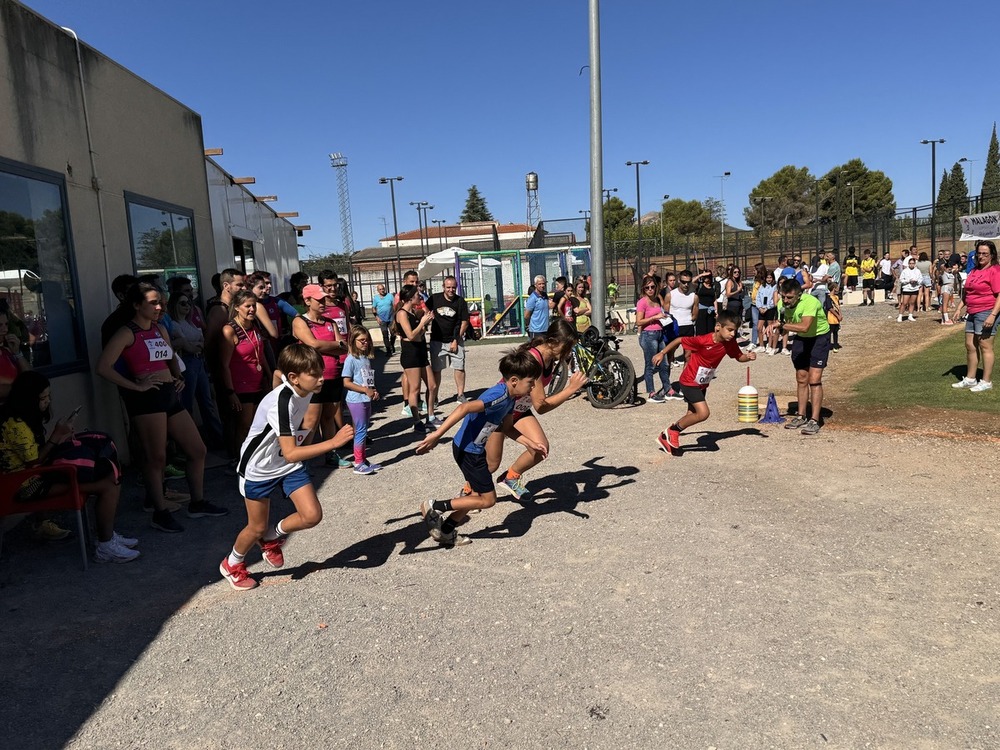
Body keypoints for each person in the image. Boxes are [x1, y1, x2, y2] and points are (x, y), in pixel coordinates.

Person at [219, 345, 354, 590]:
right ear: (295, 378)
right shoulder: (281, 403)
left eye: (321, 371)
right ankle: (232, 563)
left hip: (286, 463)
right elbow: (292, 452)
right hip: (259, 468)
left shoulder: (304, 385)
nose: (322, 377)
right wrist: (332, 443)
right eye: (315, 373)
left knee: (312, 516)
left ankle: (271, 537)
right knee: (255, 526)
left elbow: (278, 374)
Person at [97, 283, 226, 532]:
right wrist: (135, 386)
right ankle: (160, 511)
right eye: (153, 303)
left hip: (169, 395)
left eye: (161, 302)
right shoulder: (126, 332)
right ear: (136, 305)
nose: (160, 307)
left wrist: (177, 376)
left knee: (197, 449)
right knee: (156, 458)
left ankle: (197, 503)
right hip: (146, 400)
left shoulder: (159, 329)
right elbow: (103, 367)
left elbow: (169, 358)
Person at [0, 371, 139, 562]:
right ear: (28, 398)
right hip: (22, 485)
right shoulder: (15, 424)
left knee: (110, 474)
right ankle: (105, 545)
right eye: (43, 398)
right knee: (109, 484)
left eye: (48, 396)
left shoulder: (21, 418)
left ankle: (106, 536)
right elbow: (33, 461)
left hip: (35, 476)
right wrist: (57, 436)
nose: (47, 401)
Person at [415, 349, 542, 547]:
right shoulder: (499, 395)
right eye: (530, 382)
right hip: (468, 451)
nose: (533, 387)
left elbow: (508, 428)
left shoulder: (511, 399)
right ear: (515, 380)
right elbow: (465, 407)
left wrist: (530, 443)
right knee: (488, 500)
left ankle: (445, 531)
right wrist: (437, 435)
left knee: (475, 496)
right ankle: (434, 506)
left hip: (474, 450)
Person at [490, 320, 587, 501]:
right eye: (567, 347)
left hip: (519, 409)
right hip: (500, 411)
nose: (568, 353)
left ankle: (511, 477)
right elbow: (540, 406)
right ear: (552, 341)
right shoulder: (534, 359)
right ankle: (468, 491)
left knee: (541, 449)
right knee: (491, 463)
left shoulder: (550, 357)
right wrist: (571, 389)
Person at [653, 310, 755, 454]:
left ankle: (666, 437)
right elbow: (680, 340)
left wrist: (748, 357)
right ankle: (672, 431)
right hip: (689, 381)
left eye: (735, 331)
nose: (732, 334)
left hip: (702, 383)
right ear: (718, 326)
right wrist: (662, 353)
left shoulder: (730, 343)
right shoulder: (703, 340)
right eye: (730, 330)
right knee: (703, 413)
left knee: (691, 414)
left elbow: (738, 357)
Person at [291, 284, 349, 464]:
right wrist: (334, 345)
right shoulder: (300, 321)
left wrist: (329, 346)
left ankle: (331, 454)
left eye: (324, 299)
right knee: (311, 420)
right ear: (307, 301)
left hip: (333, 375)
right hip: (311, 378)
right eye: (319, 299)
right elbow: (312, 345)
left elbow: (344, 347)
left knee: (328, 417)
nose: (324, 302)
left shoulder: (330, 322)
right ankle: (302, 459)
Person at [767, 277, 831, 435]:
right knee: (802, 377)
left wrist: (780, 325)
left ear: (799, 295)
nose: (785, 300)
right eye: (783, 296)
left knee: (814, 379)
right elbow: (784, 327)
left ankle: (815, 419)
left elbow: (804, 326)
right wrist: (775, 330)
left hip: (819, 337)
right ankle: (801, 415)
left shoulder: (810, 302)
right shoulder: (782, 304)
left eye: (789, 297)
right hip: (802, 339)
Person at [166, 292, 223, 447]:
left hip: (199, 362)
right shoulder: (173, 324)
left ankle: (217, 438)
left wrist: (192, 345)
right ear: (174, 306)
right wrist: (190, 345)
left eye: (189, 303)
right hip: (186, 363)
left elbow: (201, 343)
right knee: (187, 402)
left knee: (207, 402)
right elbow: (185, 346)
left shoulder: (191, 323)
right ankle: (189, 442)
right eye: (182, 303)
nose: (187, 306)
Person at [219, 290, 272, 456]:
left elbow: (261, 354)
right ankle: (240, 459)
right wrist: (230, 392)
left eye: (254, 305)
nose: (252, 309)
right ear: (236, 308)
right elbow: (223, 364)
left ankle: (254, 457)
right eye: (247, 306)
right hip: (241, 385)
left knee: (259, 425)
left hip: (258, 382)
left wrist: (270, 378)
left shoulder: (254, 326)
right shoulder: (230, 330)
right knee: (244, 425)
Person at [952, 240, 1000, 393]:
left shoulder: (995, 270)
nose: (981, 256)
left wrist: (993, 315)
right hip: (972, 312)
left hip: (987, 311)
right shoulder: (974, 271)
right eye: (979, 253)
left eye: (985, 253)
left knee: (985, 346)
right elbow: (967, 292)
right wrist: (959, 308)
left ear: (992, 255)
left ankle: (986, 381)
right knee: (970, 346)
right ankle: (970, 378)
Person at [394, 284, 436, 433]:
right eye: (417, 295)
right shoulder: (402, 314)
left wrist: (426, 321)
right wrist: (423, 323)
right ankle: (417, 421)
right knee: (415, 389)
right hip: (410, 353)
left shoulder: (413, 313)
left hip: (421, 351)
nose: (420, 297)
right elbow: (410, 335)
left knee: (432, 386)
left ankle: (430, 416)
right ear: (411, 297)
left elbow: (418, 333)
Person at [342, 326, 382, 475]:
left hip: (365, 398)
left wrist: (373, 390)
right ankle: (358, 462)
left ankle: (363, 459)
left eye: (367, 340)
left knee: (364, 430)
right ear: (353, 341)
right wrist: (365, 390)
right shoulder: (350, 360)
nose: (365, 343)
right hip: (355, 399)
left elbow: (367, 380)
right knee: (360, 430)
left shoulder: (364, 358)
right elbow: (346, 382)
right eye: (361, 340)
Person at [427, 275, 470, 405]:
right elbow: (423, 309)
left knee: (459, 367)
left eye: (453, 287)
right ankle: (434, 396)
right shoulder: (435, 299)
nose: (451, 290)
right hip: (437, 340)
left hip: (455, 339)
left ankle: (460, 394)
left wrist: (456, 339)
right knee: (436, 370)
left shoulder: (460, 301)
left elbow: (464, 322)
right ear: (443, 287)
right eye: (448, 287)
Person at [635, 275, 671, 403]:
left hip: (660, 332)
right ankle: (651, 392)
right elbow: (638, 321)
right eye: (647, 287)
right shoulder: (642, 302)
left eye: (652, 287)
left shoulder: (657, 299)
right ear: (644, 289)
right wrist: (654, 317)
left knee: (664, 363)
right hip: (648, 334)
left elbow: (660, 313)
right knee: (650, 364)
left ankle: (668, 388)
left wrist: (663, 317)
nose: (650, 289)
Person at [665, 270, 698, 365]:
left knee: (688, 356)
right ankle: (666, 379)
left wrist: (688, 320)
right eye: (683, 282)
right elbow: (666, 313)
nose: (686, 285)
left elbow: (695, 314)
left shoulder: (694, 296)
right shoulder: (670, 295)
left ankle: (685, 379)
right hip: (674, 327)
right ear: (679, 280)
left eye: (688, 282)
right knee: (670, 355)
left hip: (688, 327)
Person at [0, 308, 31, 402]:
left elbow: (30, 376)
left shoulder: (6, 351)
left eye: (6, 324)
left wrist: (17, 353)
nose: (5, 329)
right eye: (0, 325)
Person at [755, 272, 778, 355]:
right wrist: (760, 307)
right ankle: (761, 345)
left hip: (770, 309)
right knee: (759, 327)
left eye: (770, 277)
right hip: (761, 308)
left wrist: (767, 307)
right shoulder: (762, 286)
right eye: (767, 277)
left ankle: (770, 345)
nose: (769, 279)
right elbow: (758, 297)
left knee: (769, 328)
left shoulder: (775, 287)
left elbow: (774, 300)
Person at [372, 283, 396, 355]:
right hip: (382, 319)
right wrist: (377, 317)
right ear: (378, 291)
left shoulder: (390, 296)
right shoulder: (376, 298)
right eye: (380, 289)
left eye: (383, 289)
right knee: (385, 335)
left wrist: (395, 316)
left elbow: (394, 305)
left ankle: (392, 345)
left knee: (393, 334)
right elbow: (373, 308)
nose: (382, 290)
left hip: (391, 318)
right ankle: (388, 350)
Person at [897, 257, 921, 322]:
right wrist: (908, 281)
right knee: (904, 303)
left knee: (912, 303)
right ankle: (900, 316)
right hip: (907, 288)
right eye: (910, 263)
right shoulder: (905, 271)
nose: (911, 265)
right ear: (908, 264)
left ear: (915, 264)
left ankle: (910, 315)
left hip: (914, 288)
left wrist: (916, 281)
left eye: (913, 263)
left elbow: (920, 279)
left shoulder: (917, 271)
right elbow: (901, 280)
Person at [694, 271, 718, 336]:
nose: (706, 278)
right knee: (701, 330)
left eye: (708, 277)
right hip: (701, 310)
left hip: (711, 310)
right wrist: (701, 274)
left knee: (710, 330)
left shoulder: (713, 286)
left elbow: (714, 299)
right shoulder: (700, 285)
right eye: (705, 277)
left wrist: (716, 311)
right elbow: (692, 281)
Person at [826, 283, 843, 351]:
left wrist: (840, 315)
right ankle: (828, 345)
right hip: (831, 318)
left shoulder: (837, 297)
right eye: (837, 287)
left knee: (836, 332)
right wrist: (837, 315)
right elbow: (830, 308)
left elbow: (838, 306)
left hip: (836, 318)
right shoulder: (828, 297)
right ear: (834, 288)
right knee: (829, 332)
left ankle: (835, 345)